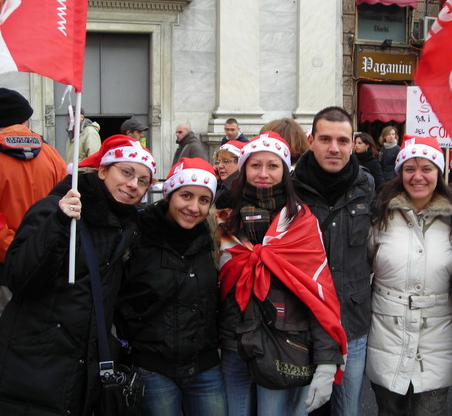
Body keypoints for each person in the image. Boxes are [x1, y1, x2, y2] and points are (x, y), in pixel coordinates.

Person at [0, 135, 156, 415]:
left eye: (143, 181)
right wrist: (58, 223)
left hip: (83, 371)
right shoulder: (55, 208)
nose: (133, 184)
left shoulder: (128, 228)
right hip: (33, 366)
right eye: (126, 172)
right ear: (103, 171)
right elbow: (19, 277)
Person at [218, 131, 346, 416]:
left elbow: (318, 293)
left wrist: (327, 359)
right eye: (255, 165)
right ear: (244, 169)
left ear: (285, 171)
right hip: (232, 342)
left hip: (283, 344)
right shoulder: (223, 221)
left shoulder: (302, 222)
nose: (263, 173)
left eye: (273, 165)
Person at [115, 157, 227, 416]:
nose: (194, 207)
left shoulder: (212, 239)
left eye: (204, 200)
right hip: (153, 368)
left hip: (205, 366)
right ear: (169, 195)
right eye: (186, 196)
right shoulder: (137, 234)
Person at [366, 135, 452, 416]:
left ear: (438, 173)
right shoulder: (380, 214)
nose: (417, 177)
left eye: (426, 169)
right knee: (389, 411)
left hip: (437, 336)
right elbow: (362, 266)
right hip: (387, 333)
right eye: (410, 169)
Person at [293, 107, 376, 416]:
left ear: (353, 143)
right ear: (311, 140)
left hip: (350, 323)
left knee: (347, 410)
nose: (334, 148)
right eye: (325, 139)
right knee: (304, 409)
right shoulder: (290, 188)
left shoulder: (367, 186)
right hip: (301, 324)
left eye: (342, 140)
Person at [0, 88, 67, 310]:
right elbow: (67, 204)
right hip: (47, 261)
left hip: (5, 267)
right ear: (24, 119)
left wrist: (16, 250)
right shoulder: (52, 154)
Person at [214, 139, 245, 208]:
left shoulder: (234, 191)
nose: (220, 166)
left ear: (239, 163)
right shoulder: (221, 184)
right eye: (218, 162)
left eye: (225, 161)